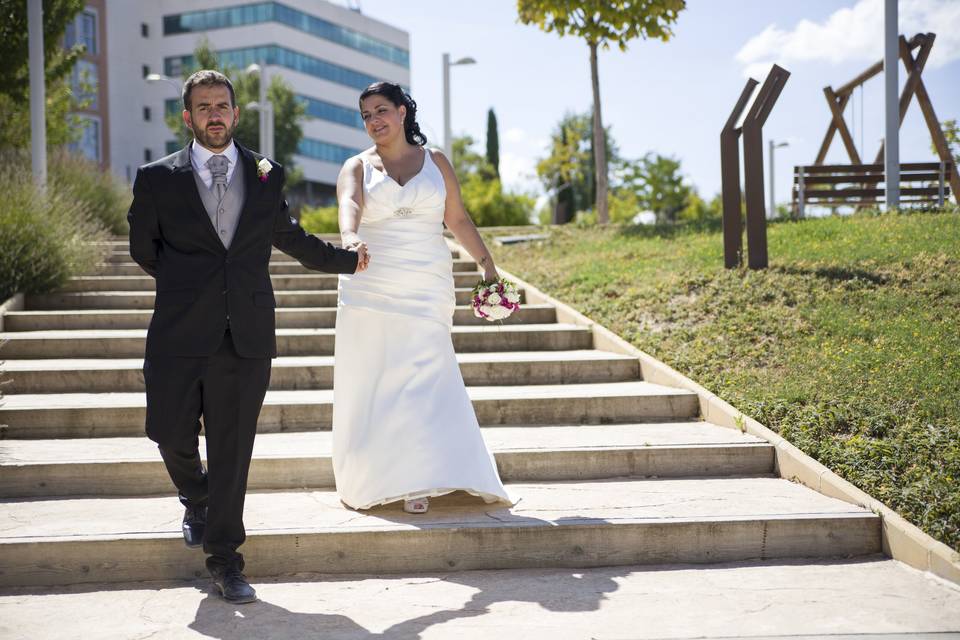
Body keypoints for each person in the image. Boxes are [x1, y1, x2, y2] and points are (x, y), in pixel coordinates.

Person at [127, 70, 368, 604]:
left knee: (233, 452)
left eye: (223, 105)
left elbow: (288, 236)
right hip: (178, 331)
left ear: (236, 114)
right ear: (187, 117)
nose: (215, 114)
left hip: (246, 334)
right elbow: (144, 249)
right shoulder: (156, 178)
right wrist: (191, 287)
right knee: (167, 432)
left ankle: (225, 560)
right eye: (203, 106)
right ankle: (197, 497)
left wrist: (349, 262)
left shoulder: (266, 174)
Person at [332, 81, 512, 514]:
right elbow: (349, 204)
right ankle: (389, 476)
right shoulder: (356, 166)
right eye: (366, 115)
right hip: (371, 278)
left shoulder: (436, 161)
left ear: (402, 112)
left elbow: (457, 218)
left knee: (426, 375)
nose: (374, 121)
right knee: (380, 376)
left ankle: (425, 475)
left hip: (427, 281)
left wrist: (487, 265)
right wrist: (350, 238)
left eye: (381, 111)